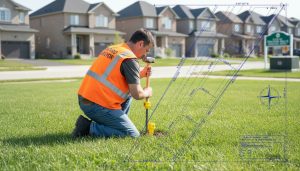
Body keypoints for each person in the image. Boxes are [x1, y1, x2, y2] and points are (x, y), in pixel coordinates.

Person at [72, 28, 155, 138]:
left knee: (128, 94)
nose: (146, 54)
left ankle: (114, 125)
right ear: (140, 44)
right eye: (147, 50)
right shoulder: (130, 59)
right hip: (97, 105)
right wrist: (147, 92)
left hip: (86, 98)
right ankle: (88, 128)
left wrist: (140, 74)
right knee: (132, 134)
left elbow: (114, 76)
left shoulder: (115, 49)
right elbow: (137, 94)